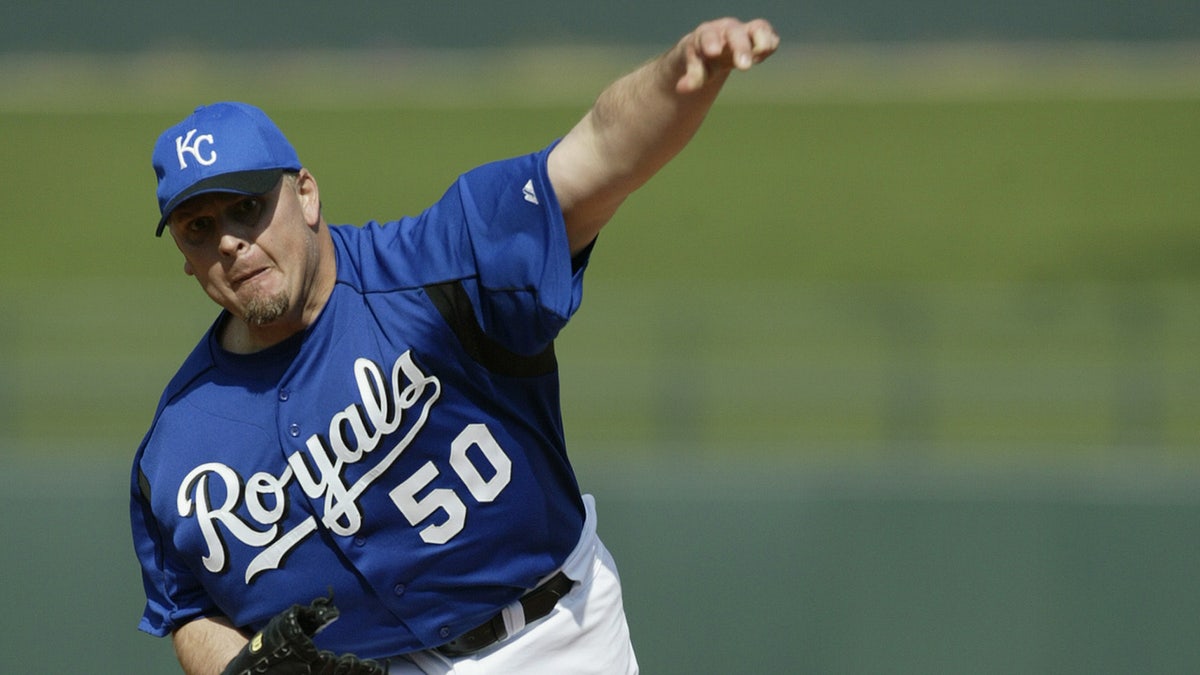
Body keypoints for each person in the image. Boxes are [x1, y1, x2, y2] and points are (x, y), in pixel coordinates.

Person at [130, 16, 779, 675]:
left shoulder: (439, 266)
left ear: (305, 193)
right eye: (200, 227)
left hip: (555, 638)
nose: (230, 241)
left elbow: (600, 152)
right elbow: (186, 611)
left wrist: (680, 77)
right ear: (185, 257)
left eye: (246, 207)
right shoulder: (176, 453)